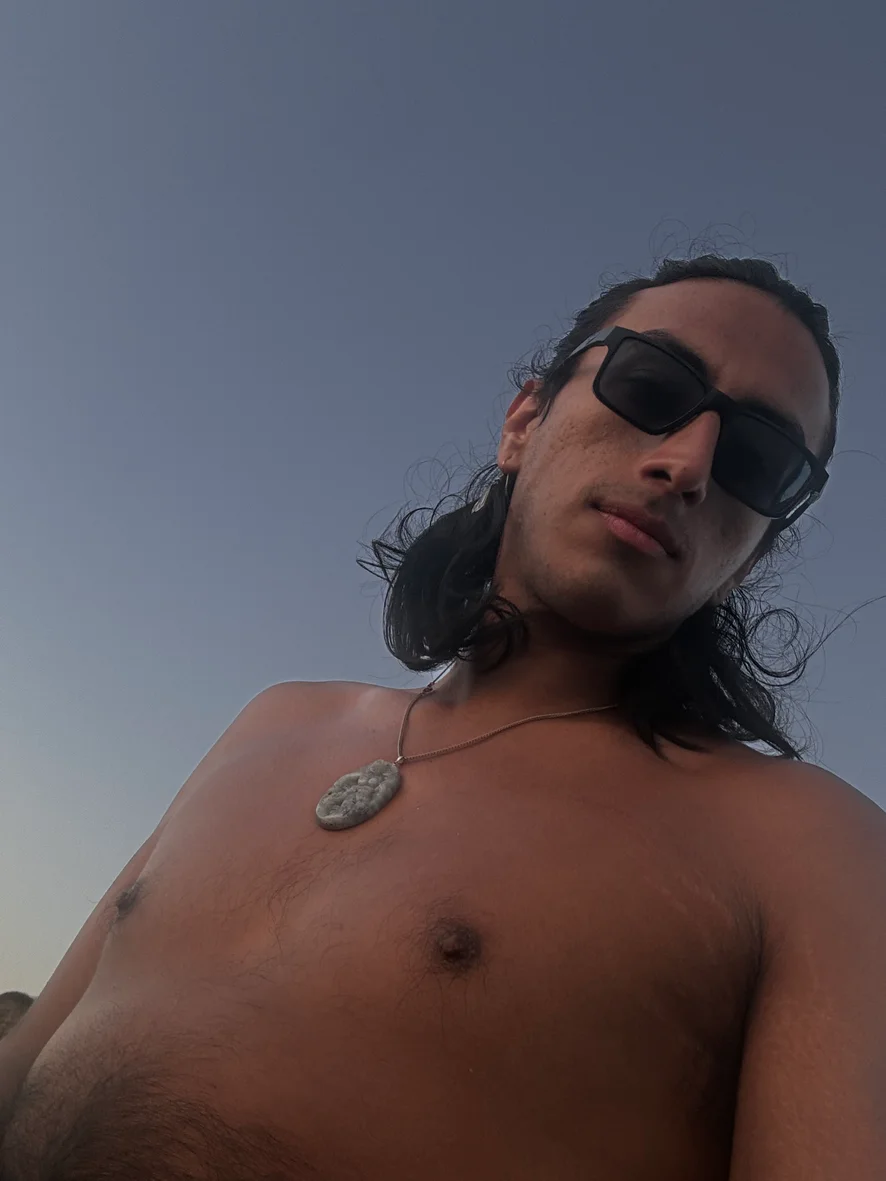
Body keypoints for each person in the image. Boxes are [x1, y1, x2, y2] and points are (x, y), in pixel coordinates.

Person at [1, 254, 884, 1180]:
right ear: (524, 422)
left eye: (759, 459)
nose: (688, 462)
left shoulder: (805, 847)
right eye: (652, 386)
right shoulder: (273, 721)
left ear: (750, 558)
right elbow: (28, 1054)